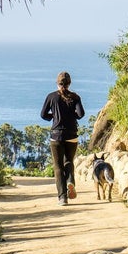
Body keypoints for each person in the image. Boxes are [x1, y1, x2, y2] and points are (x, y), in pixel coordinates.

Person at [40, 71, 85, 206]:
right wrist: (71, 116)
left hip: (56, 135)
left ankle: (62, 198)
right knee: (69, 161)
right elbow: (81, 114)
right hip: (72, 135)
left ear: (57, 83)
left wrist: (54, 116)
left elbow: (43, 115)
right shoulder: (75, 97)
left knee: (58, 166)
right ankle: (70, 180)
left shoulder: (51, 97)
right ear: (69, 83)